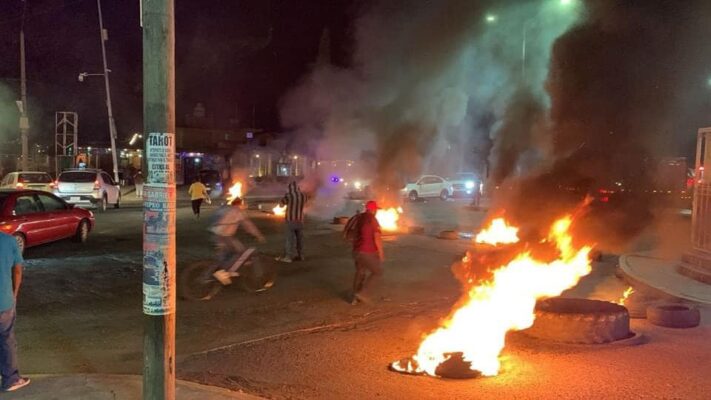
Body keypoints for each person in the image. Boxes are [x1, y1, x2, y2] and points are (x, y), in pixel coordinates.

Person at [0, 232, 30, 392]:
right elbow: (17, 270)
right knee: (6, 339)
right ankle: (10, 379)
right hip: (4, 301)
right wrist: (14, 293)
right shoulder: (9, 241)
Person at [346, 200, 384, 305]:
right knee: (377, 272)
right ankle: (363, 293)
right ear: (373, 210)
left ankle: (354, 298)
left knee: (360, 272)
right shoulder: (372, 219)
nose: (376, 211)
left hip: (356, 251)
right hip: (367, 251)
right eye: (376, 209)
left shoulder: (358, 217)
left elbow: (348, 232)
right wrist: (381, 253)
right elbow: (377, 237)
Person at [276, 181, 307, 263]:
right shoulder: (303, 195)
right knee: (300, 239)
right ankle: (301, 255)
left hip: (290, 220)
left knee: (289, 239)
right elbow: (305, 203)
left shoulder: (289, 196)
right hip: (300, 220)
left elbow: (281, 205)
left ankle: (288, 257)